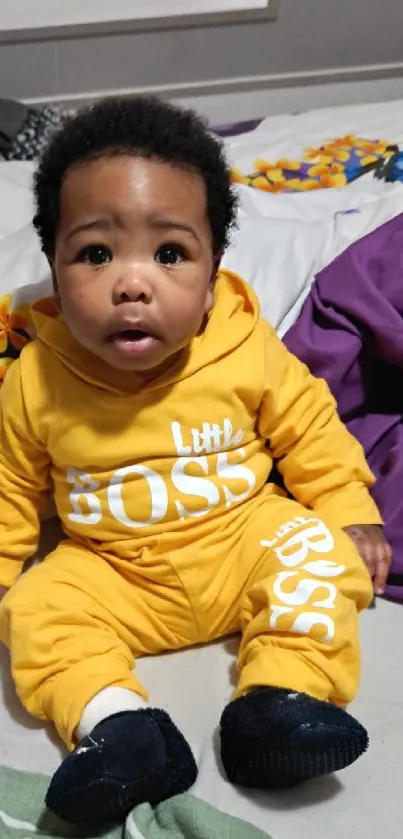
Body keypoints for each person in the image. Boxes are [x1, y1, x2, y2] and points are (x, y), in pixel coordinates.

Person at [0, 97, 391, 827]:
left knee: (316, 553)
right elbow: (10, 491)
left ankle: (280, 704)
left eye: (170, 253)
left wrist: (348, 510)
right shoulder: (34, 377)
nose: (132, 282)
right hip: (115, 568)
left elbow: (309, 428)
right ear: (53, 264)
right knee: (36, 608)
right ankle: (119, 727)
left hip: (241, 539)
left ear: (213, 269)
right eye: (95, 253)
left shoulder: (242, 347)